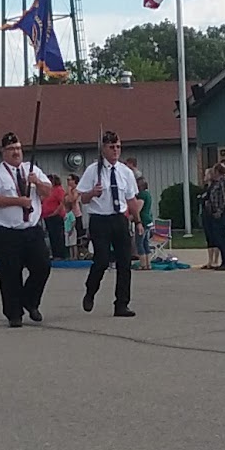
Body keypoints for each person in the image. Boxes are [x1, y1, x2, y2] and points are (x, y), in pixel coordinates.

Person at [0, 131, 52, 327]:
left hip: (32, 229)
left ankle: (30, 301)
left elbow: (48, 192)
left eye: (18, 148)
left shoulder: (32, 169)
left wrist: (37, 182)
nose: (16, 152)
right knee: (9, 274)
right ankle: (14, 313)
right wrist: (17, 201)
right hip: (8, 232)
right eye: (11, 149)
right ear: (3, 152)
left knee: (42, 266)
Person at [78, 130, 140, 314]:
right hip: (100, 220)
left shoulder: (125, 172)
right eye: (112, 147)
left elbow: (131, 199)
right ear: (103, 149)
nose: (115, 150)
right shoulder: (93, 170)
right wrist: (92, 193)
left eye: (118, 147)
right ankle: (90, 290)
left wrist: (138, 221)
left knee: (125, 262)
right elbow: (83, 199)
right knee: (102, 260)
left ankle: (121, 303)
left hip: (119, 218)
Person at [201, 163, 225, 269]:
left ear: (217, 172)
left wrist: (220, 212)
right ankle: (224, 262)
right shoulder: (217, 182)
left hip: (221, 214)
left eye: (214, 171)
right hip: (215, 213)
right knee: (218, 238)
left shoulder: (224, 182)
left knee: (222, 238)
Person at [39, 171, 67, 262]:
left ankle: (60, 254)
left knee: (57, 235)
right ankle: (55, 253)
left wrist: (56, 212)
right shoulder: (48, 191)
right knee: (51, 235)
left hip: (55, 215)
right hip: (47, 216)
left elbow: (62, 202)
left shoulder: (58, 189)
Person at [135, 173, 154, 269]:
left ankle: (143, 264)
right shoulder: (148, 194)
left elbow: (138, 209)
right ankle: (148, 264)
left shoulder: (142, 195)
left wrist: (132, 217)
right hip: (149, 220)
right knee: (146, 243)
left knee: (139, 243)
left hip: (143, 221)